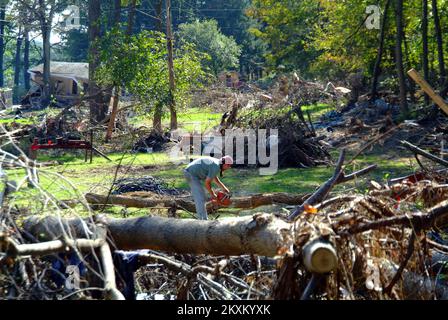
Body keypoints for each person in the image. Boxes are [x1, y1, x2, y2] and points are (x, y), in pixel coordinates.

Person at [184, 156, 233, 220]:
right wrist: (213, 195)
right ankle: (202, 220)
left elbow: (214, 177)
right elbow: (207, 183)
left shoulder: (217, 164)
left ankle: (203, 218)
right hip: (190, 173)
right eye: (228, 166)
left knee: (202, 196)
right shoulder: (216, 166)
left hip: (191, 172)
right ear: (224, 164)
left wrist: (224, 188)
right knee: (200, 196)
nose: (229, 168)